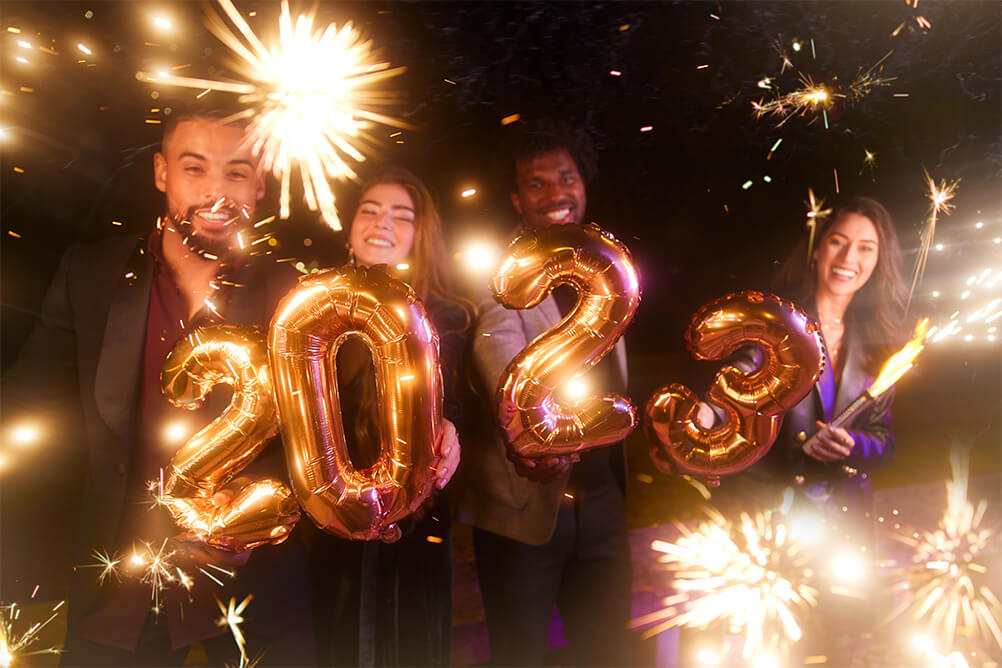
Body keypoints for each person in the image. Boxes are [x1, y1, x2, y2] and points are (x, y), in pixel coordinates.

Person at [1, 106, 315, 666]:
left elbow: (322, 436)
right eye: (195, 169)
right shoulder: (90, 274)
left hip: (249, 601)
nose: (216, 192)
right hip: (110, 590)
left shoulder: (295, 296)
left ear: (261, 184)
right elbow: (27, 404)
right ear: (161, 172)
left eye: (237, 173)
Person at [457, 120, 633, 666]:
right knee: (519, 656)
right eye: (537, 183)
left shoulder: (605, 268)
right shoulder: (500, 272)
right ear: (516, 198)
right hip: (524, 510)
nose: (556, 192)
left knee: (609, 652)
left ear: (584, 182)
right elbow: (496, 345)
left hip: (604, 503)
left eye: (566, 176)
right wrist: (531, 427)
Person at [307, 166, 469, 667]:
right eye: (370, 209)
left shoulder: (446, 317)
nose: (382, 223)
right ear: (350, 223)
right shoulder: (310, 308)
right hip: (324, 523)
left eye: (402, 215)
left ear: (422, 235)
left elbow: (462, 405)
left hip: (411, 525)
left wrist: (454, 428)